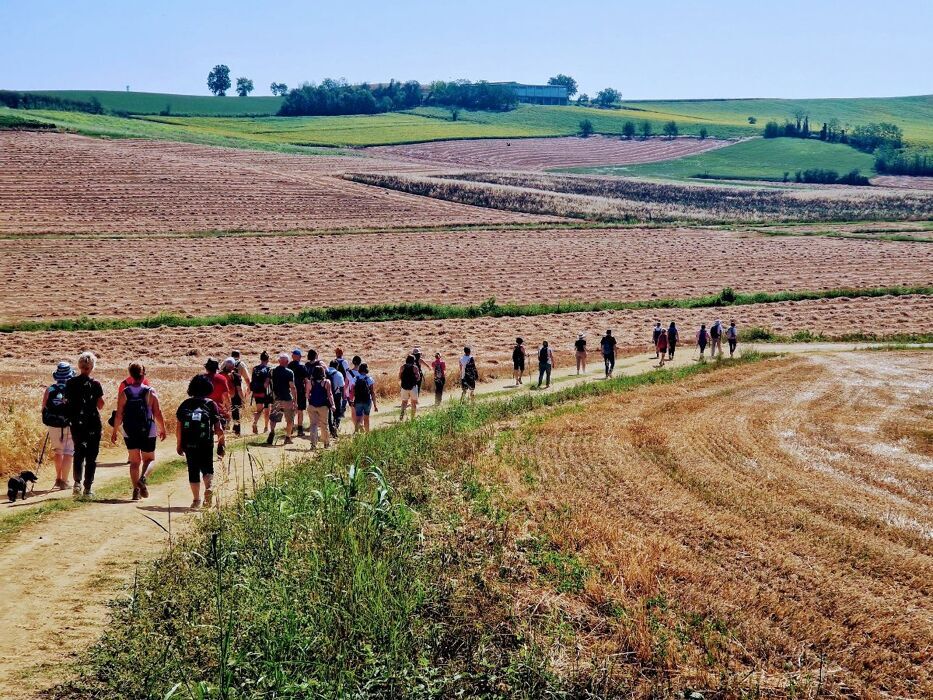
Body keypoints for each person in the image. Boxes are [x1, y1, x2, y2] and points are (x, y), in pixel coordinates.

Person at [111, 362, 167, 501]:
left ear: (130, 375)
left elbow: (119, 414)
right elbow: (157, 413)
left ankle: (136, 491)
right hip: (148, 430)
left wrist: (114, 431)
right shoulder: (150, 391)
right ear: (143, 375)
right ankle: (143, 478)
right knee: (150, 459)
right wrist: (163, 428)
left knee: (135, 462)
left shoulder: (125, 393)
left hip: (129, 431)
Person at [176, 374, 225, 510]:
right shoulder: (210, 404)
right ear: (208, 388)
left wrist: (179, 444)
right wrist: (221, 443)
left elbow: (179, 427)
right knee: (207, 468)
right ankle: (209, 487)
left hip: (189, 444)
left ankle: (196, 500)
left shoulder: (185, 404)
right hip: (206, 443)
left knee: (193, 470)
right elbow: (219, 428)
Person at [65, 352, 104, 498]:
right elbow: (100, 405)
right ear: (92, 366)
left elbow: (66, 402)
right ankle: (88, 488)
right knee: (91, 457)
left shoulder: (70, 383)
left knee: (79, 453)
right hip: (93, 423)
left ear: (80, 366)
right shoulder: (95, 384)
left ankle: (76, 484)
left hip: (77, 423)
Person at [41, 362, 76, 490]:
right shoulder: (72, 389)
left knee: (58, 451)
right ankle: (65, 482)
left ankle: (58, 478)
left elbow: (44, 408)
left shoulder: (50, 390)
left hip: (53, 425)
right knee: (68, 452)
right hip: (69, 424)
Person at [268, 353, 297, 446]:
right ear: (287, 362)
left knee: (274, 418)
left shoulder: (273, 371)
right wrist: (295, 400)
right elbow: (292, 387)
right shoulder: (289, 372)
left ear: (279, 361)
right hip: (287, 399)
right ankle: (288, 437)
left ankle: (272, 432)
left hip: (277, 398)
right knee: (289, 419)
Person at [307, 365, 336, 448]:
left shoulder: (310, 382)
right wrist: (332, 405)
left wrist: (311, 400)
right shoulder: (327, 382)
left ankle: (313, 444)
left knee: (313, 425)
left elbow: (307, 395)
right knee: (324, 425)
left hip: (312, 405)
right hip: (323, 406)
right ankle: (326, 443)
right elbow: (329, 395)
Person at [228, 350, 251, 436]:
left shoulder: (225, 362)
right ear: (239, 356)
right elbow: (247, 379)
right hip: (236, 389)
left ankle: (228, 426)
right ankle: (237, 430)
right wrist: (249, 388)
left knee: (226, 408)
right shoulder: (240, 364)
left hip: (226, 389)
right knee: (236, 409)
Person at [249, 351, 273, 434]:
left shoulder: (255, 368)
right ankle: (266, 428)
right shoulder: (268, 369)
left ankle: (255, 423)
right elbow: (266, 383)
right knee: (267, 410)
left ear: (260, 359)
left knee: (259, 410)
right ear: (268, 360)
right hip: (265, 393)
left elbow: (252, 381)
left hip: (256, 392)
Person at [204, 358, 232, 424]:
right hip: (219, 409)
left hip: (204, 408)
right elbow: (226, 396)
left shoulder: (202, 378)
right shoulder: (222, 378)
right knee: (220, 430)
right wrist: (228, 410)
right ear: (216, 368)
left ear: (207, 368)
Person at [351, 363, 377, 432]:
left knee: (358, 417)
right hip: (367, 400)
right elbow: (372, 392)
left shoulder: (355, 378)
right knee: (366, 418)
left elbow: (353, 391)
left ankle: (357, 431)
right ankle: (367, 433)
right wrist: (375, 405)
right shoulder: (369, 379)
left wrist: (352, 400)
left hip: (358, 400)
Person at [288, 349, 308, 436]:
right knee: (300, 410)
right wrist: (307, 392)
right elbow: (306, 380)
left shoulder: (288, 366)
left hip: (290, 391)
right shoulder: (302, 367)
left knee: (291, 410)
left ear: (293, 356)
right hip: (300, 391)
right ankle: (300, 430)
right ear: (299, 357)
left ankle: (290, 428)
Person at [326, 360, 346, 437]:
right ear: (337, 366)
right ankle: (335, 427)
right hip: (336, 395)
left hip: (326, 395)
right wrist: (343, 395)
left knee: (328, 413)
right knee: (337, 413)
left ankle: (330, 428)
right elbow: (342, 386)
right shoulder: (338, 374)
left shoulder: (325, 372)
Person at [399, 355, 422, 421]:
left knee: (404, 402)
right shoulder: (415, 367)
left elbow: (399, 376)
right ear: (413, 360)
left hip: (404, 387)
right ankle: (412, 418)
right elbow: (418, 378)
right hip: (413, 387)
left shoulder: (402, 367)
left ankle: (402, 414)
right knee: (413, 403)